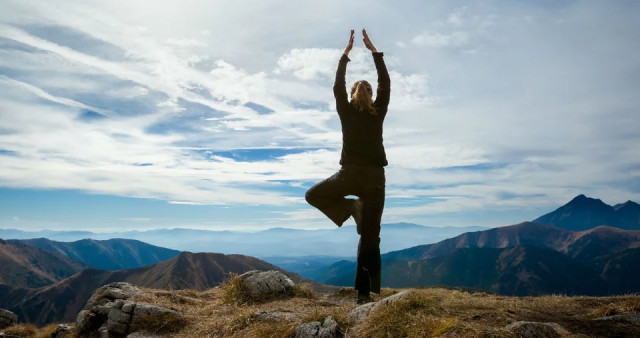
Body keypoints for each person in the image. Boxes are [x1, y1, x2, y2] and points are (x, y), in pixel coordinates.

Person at [305, 29, 390, 304]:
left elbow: (337, 85)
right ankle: (363, 295)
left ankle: (351, 208)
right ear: (369, 94)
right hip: (375, 179)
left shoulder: (346, 109)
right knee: (370, 237)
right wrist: (374, 51)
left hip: (350, 175)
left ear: (353, 95)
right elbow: (386, 83)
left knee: (313, 195)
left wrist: (346, 54)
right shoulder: (379, 112)